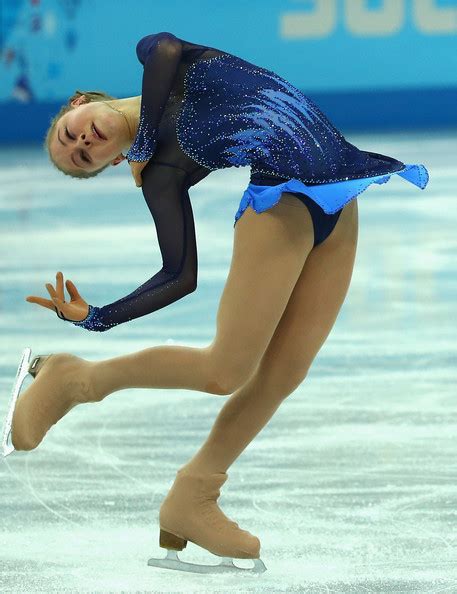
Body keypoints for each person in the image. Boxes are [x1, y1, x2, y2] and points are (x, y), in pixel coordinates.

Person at [3, 31, 429, 573]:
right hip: (282, 205)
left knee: (284, 373)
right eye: (85, 156)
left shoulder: (165, 68)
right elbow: (180, 275)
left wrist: (143, 138)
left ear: (79, 103)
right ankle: (74, 379)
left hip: (341, 193)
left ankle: (192, 495)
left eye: (73, 133)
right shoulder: (160, 173)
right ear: (107, 165)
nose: (85, 141)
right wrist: (99, 318)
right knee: (226, 369)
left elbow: (160, 48)